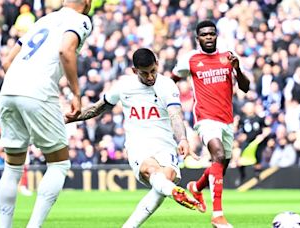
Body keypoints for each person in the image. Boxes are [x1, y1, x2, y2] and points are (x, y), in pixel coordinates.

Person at [66, 48, 200, 228]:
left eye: (153, 71)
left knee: (164, 179)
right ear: (134, 71)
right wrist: (75, 117)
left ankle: (133, 223)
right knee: (151, 170)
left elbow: (175, 115)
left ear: (157, 65)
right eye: (145, 73)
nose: (151, 77)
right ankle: (173, 191)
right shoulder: (124, 86)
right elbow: (98, 107)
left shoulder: (167, 85)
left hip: (165, 143)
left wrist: (183, 139)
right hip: (139, 144)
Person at [0, 0, 92, 227]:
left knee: (12, 167)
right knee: (59, 164)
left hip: (9, 90)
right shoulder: (81, 20)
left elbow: (7, 61)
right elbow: (65, 50)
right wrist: (76, 95)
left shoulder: (44, 20)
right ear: (87, 2)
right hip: (37, 92)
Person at [172, 20, 250, 228]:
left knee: (220, 167)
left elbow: (245, 88)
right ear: (198, 38)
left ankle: (196, 188)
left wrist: (238, 69)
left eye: (211, 34)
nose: (208, 37)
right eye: (204, 34)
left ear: (216, 36)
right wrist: (169, 102)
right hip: (205, 118)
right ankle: (218, 216)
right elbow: (172, 79)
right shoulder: (190, 59)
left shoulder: (228, 57)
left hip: (226, 120)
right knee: (216, 155)